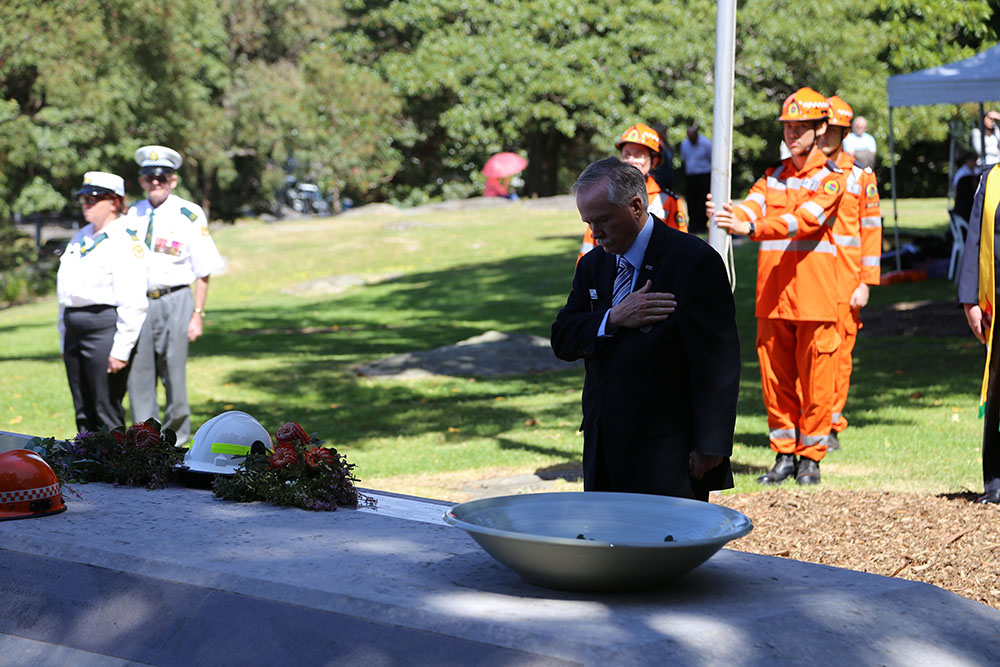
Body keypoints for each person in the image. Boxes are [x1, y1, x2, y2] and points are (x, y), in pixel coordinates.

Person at [552, 158, 740, 501]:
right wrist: (613, 317)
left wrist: (710, 444)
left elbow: (718, 361)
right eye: (588, 222)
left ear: (636, 206)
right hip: (604, 444)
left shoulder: (692, 260)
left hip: (668, 453)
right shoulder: (593, 265)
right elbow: (563, 337)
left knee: (667, 551)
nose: (595, 232)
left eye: (603, 220)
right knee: (607, 548)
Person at [708, 87, 847, 485]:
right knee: (776, 380)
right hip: (773, 297)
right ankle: (784, 454)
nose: (792, 134)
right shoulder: (772, 176)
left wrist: (749, 227)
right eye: (788, 127)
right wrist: (727, 211)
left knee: (817, 380)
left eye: (801, 127)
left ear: (821, 129)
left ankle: (811, 458)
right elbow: (751, 204)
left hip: (815, 297)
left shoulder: (832, 179)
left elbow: (804, 220)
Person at [126, 145, 224, 445]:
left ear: (173, 180)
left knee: (174, 376)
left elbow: (203, 270)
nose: (156, 183)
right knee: (139, 377)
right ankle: (144, 442)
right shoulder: (131, 214)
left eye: (163, 177)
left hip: (176, 300)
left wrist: (197, 314)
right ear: (142, 181)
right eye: (149, 178)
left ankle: (176, 442)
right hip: (138, 302)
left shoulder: (189, 214)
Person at [57, 171, 148, 432]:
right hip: (75, 328)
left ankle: (115, 470)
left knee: (105, 408)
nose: (86, 203)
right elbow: (66, 294)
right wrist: (64, 336)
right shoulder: (81, 237)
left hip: (104, 328)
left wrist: (121, 349)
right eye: (83, 198)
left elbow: (133, 301)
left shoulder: (124, 239)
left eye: (93, 198)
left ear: (114, 202)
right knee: (83, 409)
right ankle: (84, 468)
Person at [818, 95, 883, 451]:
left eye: (834, 130)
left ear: (844, 133)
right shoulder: (802, 174)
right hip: (810, 278)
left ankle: (831, 423)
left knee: (840, 354)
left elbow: (871, 229)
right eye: (822, 129)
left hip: (845, 280)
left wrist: (865, 282)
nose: (826, 136)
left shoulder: (861, 176)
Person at [577, 123, 688, 261]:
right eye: (627, 155)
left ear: (654, 160)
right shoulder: (604, 197)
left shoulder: (670, 201)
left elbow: (680, 249)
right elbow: (590, 246)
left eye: (639, 155)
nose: (631, 161)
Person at [957, 163, 1000, 504]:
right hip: (996, 302)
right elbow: (974, 241)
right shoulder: (992, 177)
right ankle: (996, 481)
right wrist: (970, 299)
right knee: (998, 391)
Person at [679, 123, 712, 234]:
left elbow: (711, 160)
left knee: (702, 201)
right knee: (691, 201)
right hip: (691, 176)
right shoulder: (685, 144)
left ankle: (702, 225)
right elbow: (684, 159)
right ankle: (693, 225)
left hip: (703, 175)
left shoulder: (706, 143)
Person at [648, 123, 676, 191]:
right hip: (659, 177)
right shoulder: (656, 145)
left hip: (668, 177)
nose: (665, 134)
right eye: (663, 132)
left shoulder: (668, 145)